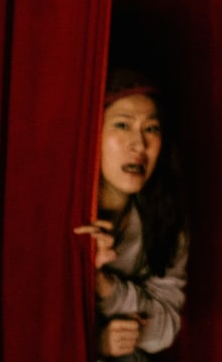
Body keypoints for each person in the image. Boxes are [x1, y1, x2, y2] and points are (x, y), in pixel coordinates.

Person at [74, 68, 189, 360]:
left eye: (151, 129)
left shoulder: (164, 219)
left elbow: (165, 328)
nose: (139, 145)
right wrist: (95, 343)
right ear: (93, 132)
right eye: (123, 125)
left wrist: (107, 288)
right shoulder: (66, 215)